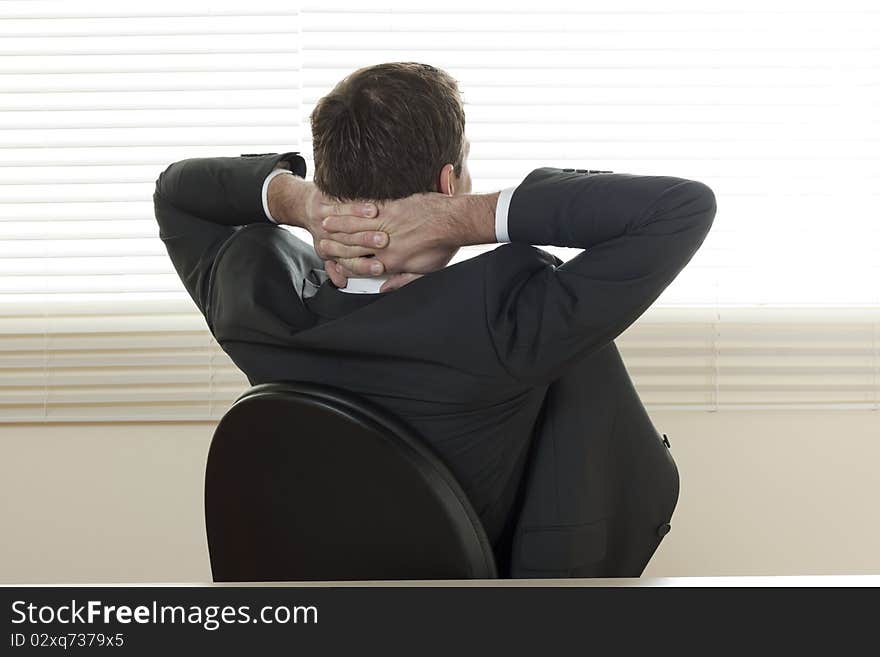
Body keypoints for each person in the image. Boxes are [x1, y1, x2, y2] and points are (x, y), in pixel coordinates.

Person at [153, 62, 716, 577]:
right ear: (449, 183)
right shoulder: (504, 318)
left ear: (332, 181)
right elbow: (681, 207)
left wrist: (297, 201)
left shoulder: (255, 304)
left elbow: (177, 192)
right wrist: (467, 217)